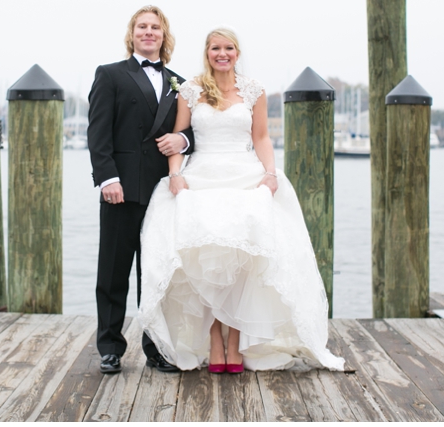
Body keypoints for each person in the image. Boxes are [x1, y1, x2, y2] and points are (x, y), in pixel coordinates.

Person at [137, 28, 345, 373]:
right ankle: (214, 342)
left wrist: (270, 173)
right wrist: (176, 175)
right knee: (208, 260)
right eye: (216, 48)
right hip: (202, 175)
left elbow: (261, 137)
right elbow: (178, 137)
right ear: (207, 52)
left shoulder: (253, 90)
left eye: (229, 48)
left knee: (241, 260)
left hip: (244, 174)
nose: (223, 53)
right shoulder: (190, 90)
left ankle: (234, 344)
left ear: (237, 52)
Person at [87, 5, 194, 375]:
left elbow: (194, 132)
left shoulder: (180, 82)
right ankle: (110, 347)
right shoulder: (111, 75)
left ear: (164, 36)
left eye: (155, 28)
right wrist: (107, 179)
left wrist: (181, 139)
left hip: (162, 192)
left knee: (155, 274)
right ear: (132, 34)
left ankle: (156, 348)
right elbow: (98, 133)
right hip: (120, 189)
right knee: (114, 272)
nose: (149, 32)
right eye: (142, 27)